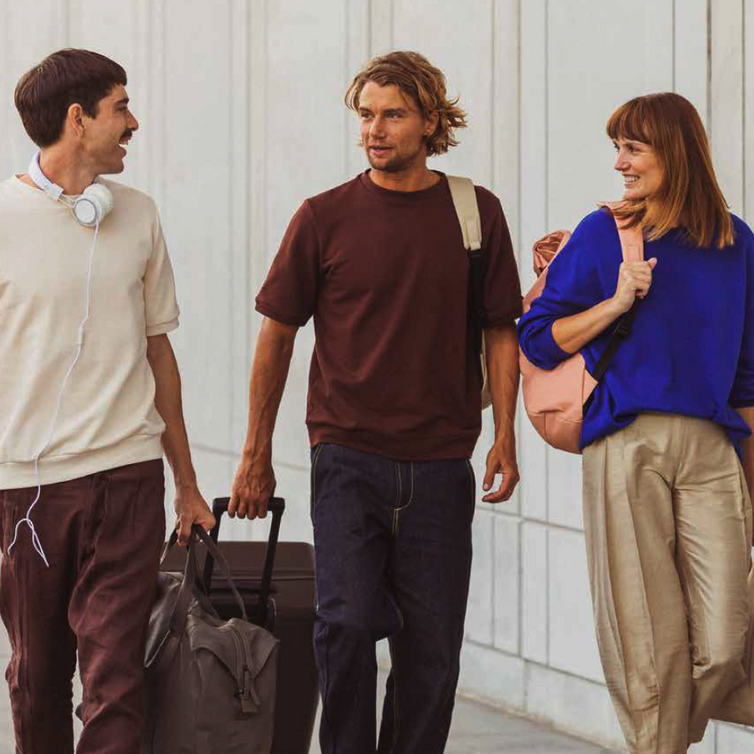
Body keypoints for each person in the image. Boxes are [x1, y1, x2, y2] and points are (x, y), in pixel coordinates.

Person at [230, 50, 523, 753]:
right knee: (347, 624)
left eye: (393, 114)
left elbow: (501, 333)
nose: (375, 129)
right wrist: (254, 454)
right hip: (346, 458)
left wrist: (506, 437)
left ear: (430, 121)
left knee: (432, 652)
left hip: (440, 464)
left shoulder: (474, 213)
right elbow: (276, 337)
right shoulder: (323, 217)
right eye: (366, 114)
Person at [518, 92, 754, 753]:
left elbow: (748, 377)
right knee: (648, 644)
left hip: (714, 452)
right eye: (617, 148)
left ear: (673, 153)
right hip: (627, 444)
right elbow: (537, 339)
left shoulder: (738, 245)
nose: (620, 163)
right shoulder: (603, 234)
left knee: (726, 640)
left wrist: (753, 485)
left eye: (633, 148)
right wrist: (616, 301)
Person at [0, 48, 215, 753]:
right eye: (120, 107)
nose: (134, 122)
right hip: (26, 491)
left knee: (117, 676)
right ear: (77, 118)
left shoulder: (141, 216)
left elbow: (160, 354)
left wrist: (185, 484)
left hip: (127, 476)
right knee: (37, 677)